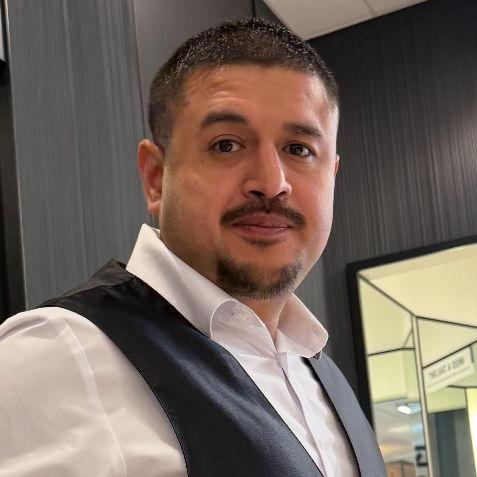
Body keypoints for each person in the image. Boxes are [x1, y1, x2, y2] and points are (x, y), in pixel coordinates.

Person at [0, 18, 385, 477]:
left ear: (332, 176)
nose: (271, 183)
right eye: (226, 145)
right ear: (156, 178)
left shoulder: (320, 372)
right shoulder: (57, 356)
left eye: (299, 149)